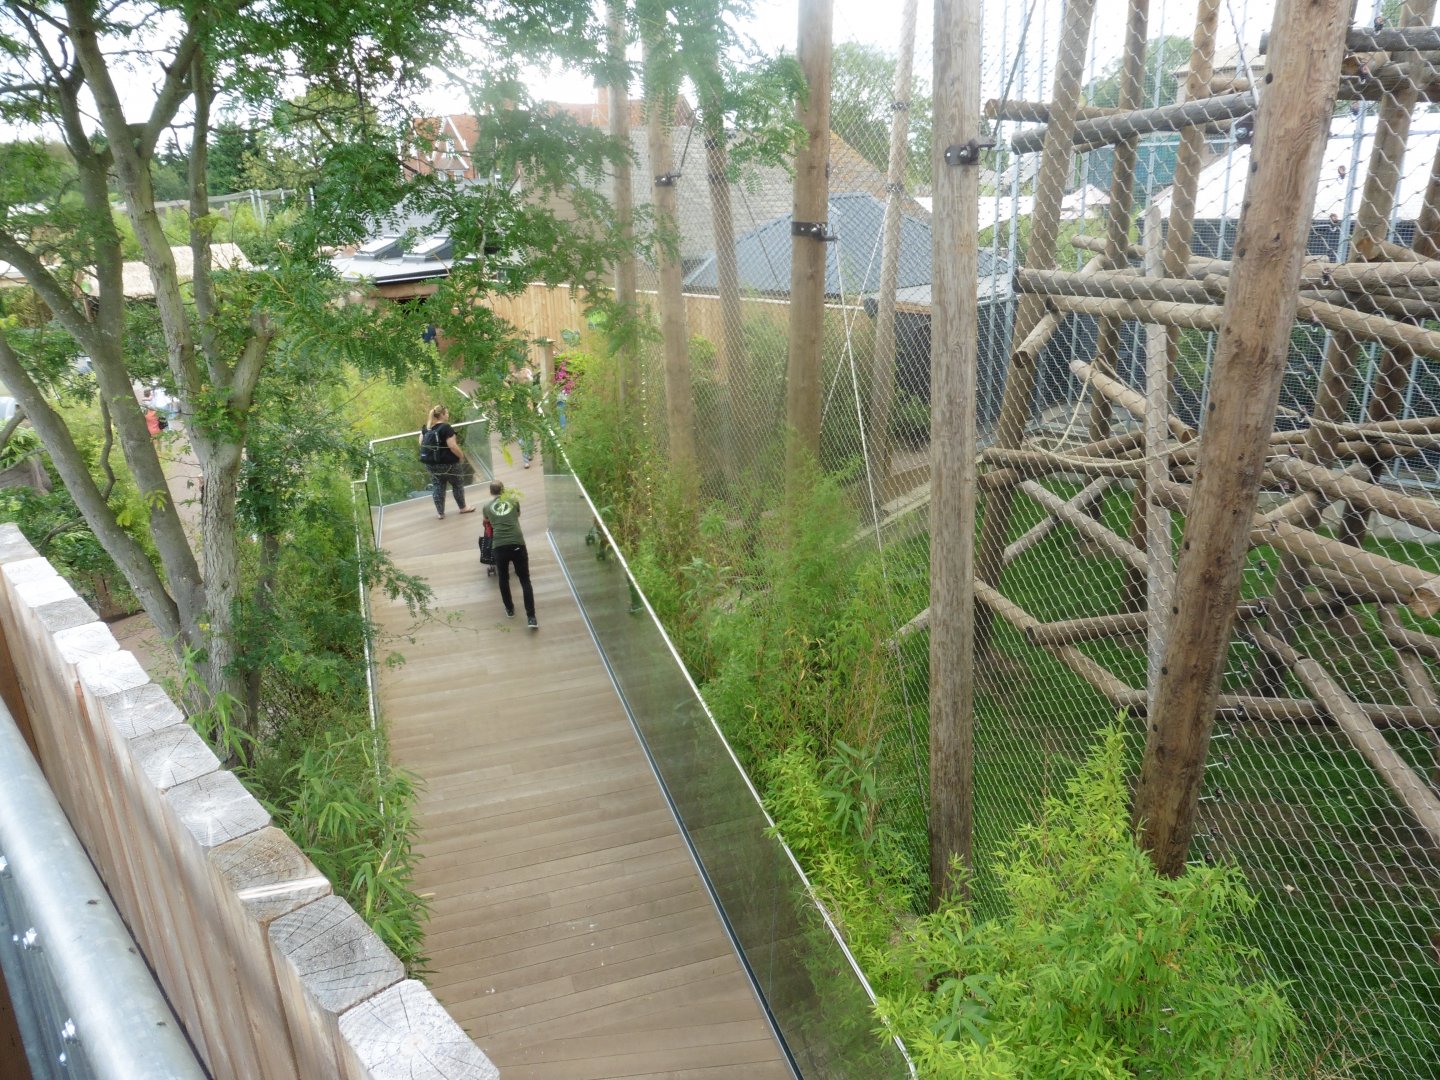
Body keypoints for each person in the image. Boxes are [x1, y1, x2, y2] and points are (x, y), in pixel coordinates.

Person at [482, 480, 537, 629]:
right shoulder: (513, 500)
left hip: (499, 546)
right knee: (525, 580)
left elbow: (487, 521)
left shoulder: (486, 507)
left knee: (504, 578)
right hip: (517, 542)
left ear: (490, 492)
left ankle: (509, 609)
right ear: (503, 490)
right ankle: (531, 617)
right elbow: (517, 514)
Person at [419, 404, 474, 520]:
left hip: (432, 465)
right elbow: (452, 446)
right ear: (442, 415)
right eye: (447, 413)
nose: (448, 415)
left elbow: (421, 443)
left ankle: (440, 513)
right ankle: (463, 507)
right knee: (457, 484)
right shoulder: (446, 427)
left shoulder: (427, 428)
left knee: (438, 486)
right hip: (449, 465)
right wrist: (461, 455)